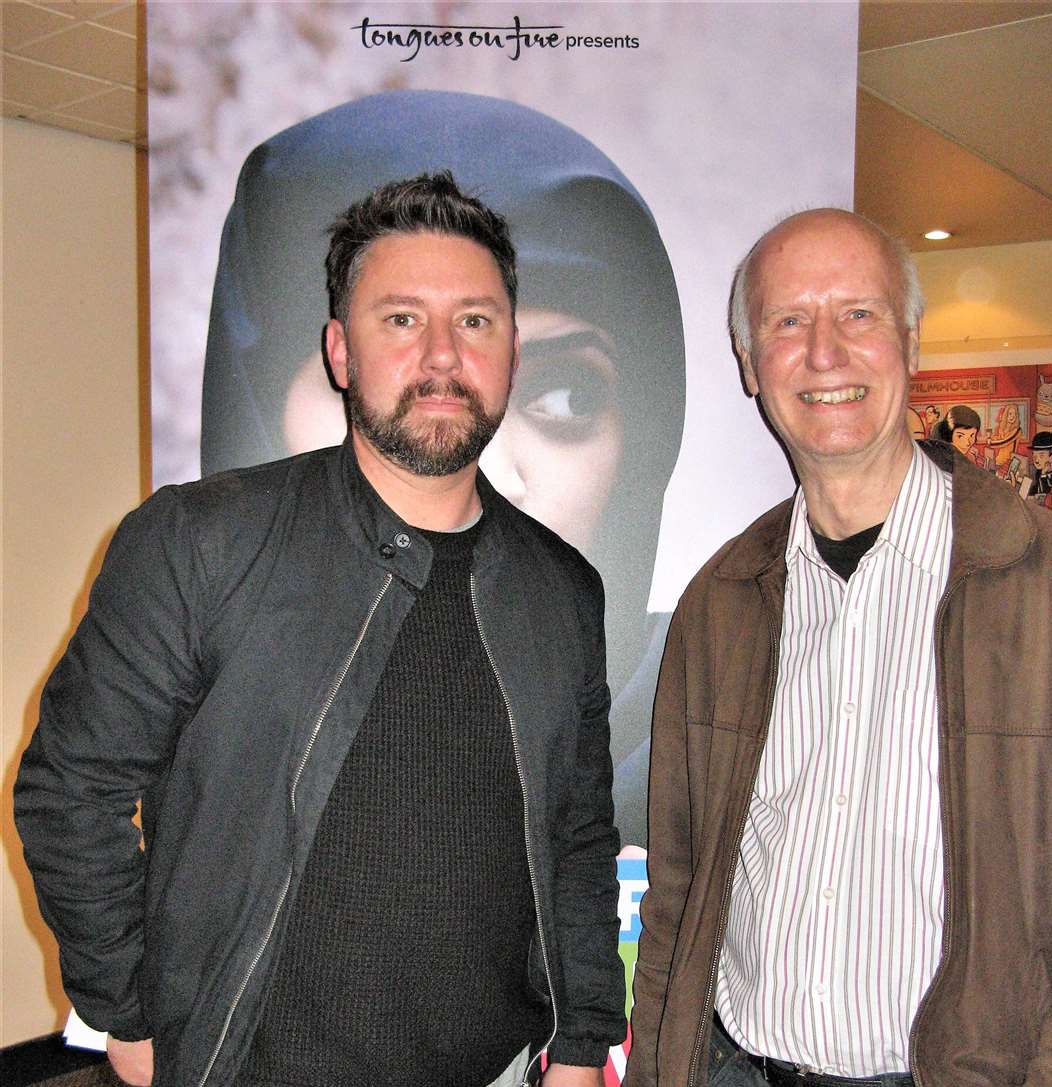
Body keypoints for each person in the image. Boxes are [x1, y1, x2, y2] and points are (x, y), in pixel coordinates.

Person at [16, 173, 625, 1087]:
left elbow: (574, 836)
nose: (443, 353)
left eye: (477, 320)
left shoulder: (558, 589)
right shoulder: (203, 541)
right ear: (341, 351)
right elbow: (70, 785)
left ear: (510, 348)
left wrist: (578, 1041)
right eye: (402, 320)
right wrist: (123, 1004)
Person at [622, 208, 1052, 1087]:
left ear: (911, 343)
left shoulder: (1050, 585)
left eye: (857, 313)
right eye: (788, 321)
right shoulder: (725, 597)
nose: (825, 351)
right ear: (750, 362)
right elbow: (680, 885)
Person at [199, 90, 686, 846]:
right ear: (329, 361)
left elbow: (579, 888)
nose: (468, 440)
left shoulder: (690, 722)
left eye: (566, 394)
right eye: (400, 337)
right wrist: (155, 968)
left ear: (646, 443)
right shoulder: (190, 567)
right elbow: (73, 800)